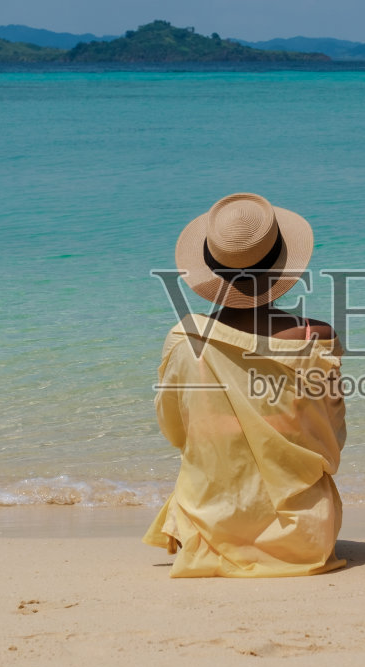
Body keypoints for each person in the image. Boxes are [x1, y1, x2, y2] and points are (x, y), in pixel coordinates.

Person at [146, 193, 347, 577]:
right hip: (302, 536)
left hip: (208, 526)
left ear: (209, 270)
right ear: (282, 268)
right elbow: (331, 438)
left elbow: (175, 430)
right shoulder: (315, 338)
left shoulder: (184, 337)